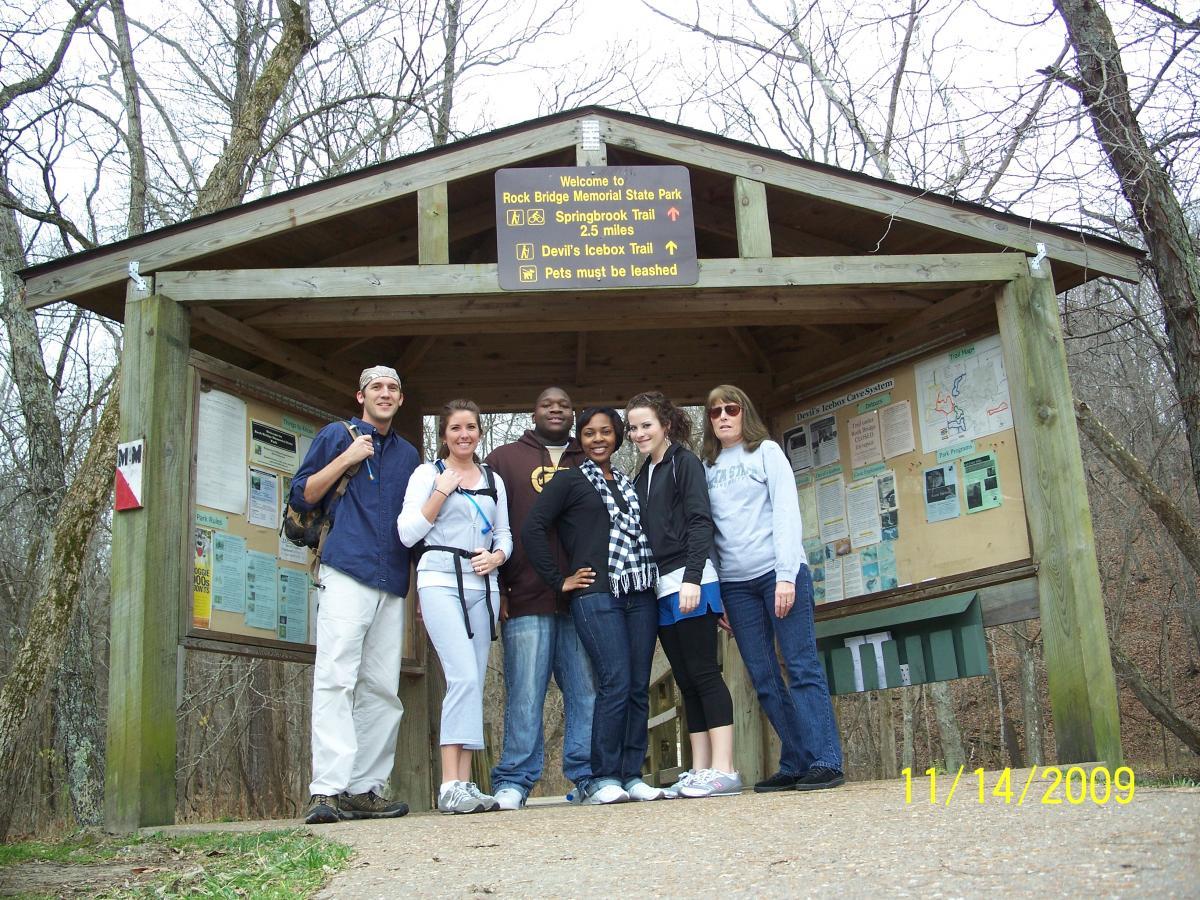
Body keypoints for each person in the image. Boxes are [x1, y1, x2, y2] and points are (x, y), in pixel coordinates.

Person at [291, 366, 419, 824]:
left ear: (401, 399)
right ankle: (326, 790)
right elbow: (303, 494)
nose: (384, 394)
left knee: (382, 687)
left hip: (392, 580)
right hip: (345, 569)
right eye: (376, 388)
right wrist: (347, 458)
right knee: (335, 678)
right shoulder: (335, 434)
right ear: (360, 395)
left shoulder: (409, 455)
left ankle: (365, 788)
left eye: (392, 388)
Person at [702, 385, 845, 792]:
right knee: (763, 675)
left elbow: (786, 513)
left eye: (731, 409)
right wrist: (717, 594)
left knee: (800, 667)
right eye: (715, 412)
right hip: (735, 585)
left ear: (744, 412)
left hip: (778, 574)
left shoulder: (766, 452)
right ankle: (798, 759)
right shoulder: (706, 467)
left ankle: (826, 759)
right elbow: (706, 532)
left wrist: (785, 576)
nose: (724, 417)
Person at [522, 407, 663, 804]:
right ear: (579, 439)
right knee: (614, 681)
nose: (598, 439)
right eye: (588, 433)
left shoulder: (629, 482)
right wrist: (558, 580)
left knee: (638, 685)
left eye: (605, 432)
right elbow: (533, 528)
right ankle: (603, 777)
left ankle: (632, 774)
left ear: (617, 436)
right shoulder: (569, 480)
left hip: (639, 591)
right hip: (596, 594)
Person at [398, 399, 512, 815]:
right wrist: (442, 490)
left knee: (474, 680)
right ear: (443, 434)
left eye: (471, 427)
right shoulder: (427, 474)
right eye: (455, 428)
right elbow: (408, 533)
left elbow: (505, 534)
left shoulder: (493, 480)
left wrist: (497, 558)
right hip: (439, 580)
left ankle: (464, 781)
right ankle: (449, 783)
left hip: (483, 585)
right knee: (462, 675)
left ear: (480, 432)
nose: (464, 435)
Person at [486, 387, 596, 811]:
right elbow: (489, 529)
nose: (555, 410)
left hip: (582, 600)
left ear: (573, 414)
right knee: (525, 693)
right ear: (532, 412)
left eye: (564, 405)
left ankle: (586, 774)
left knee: (585, 690)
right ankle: (515, 779)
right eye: (547, 404)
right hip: (526, 594)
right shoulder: (503, 460)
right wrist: (498, 588)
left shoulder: (587, 459)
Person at [626, 392, 739, 798]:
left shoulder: (684, 463)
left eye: (646, 425)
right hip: (660, 587)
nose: (639, 434)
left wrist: (693, 576)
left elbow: (699, 520)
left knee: (705, 672)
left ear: (666, 425)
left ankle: (725, 768)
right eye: (633, 427)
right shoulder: (643, 474)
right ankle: (702, 768)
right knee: (686, 681)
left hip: (692, 581)